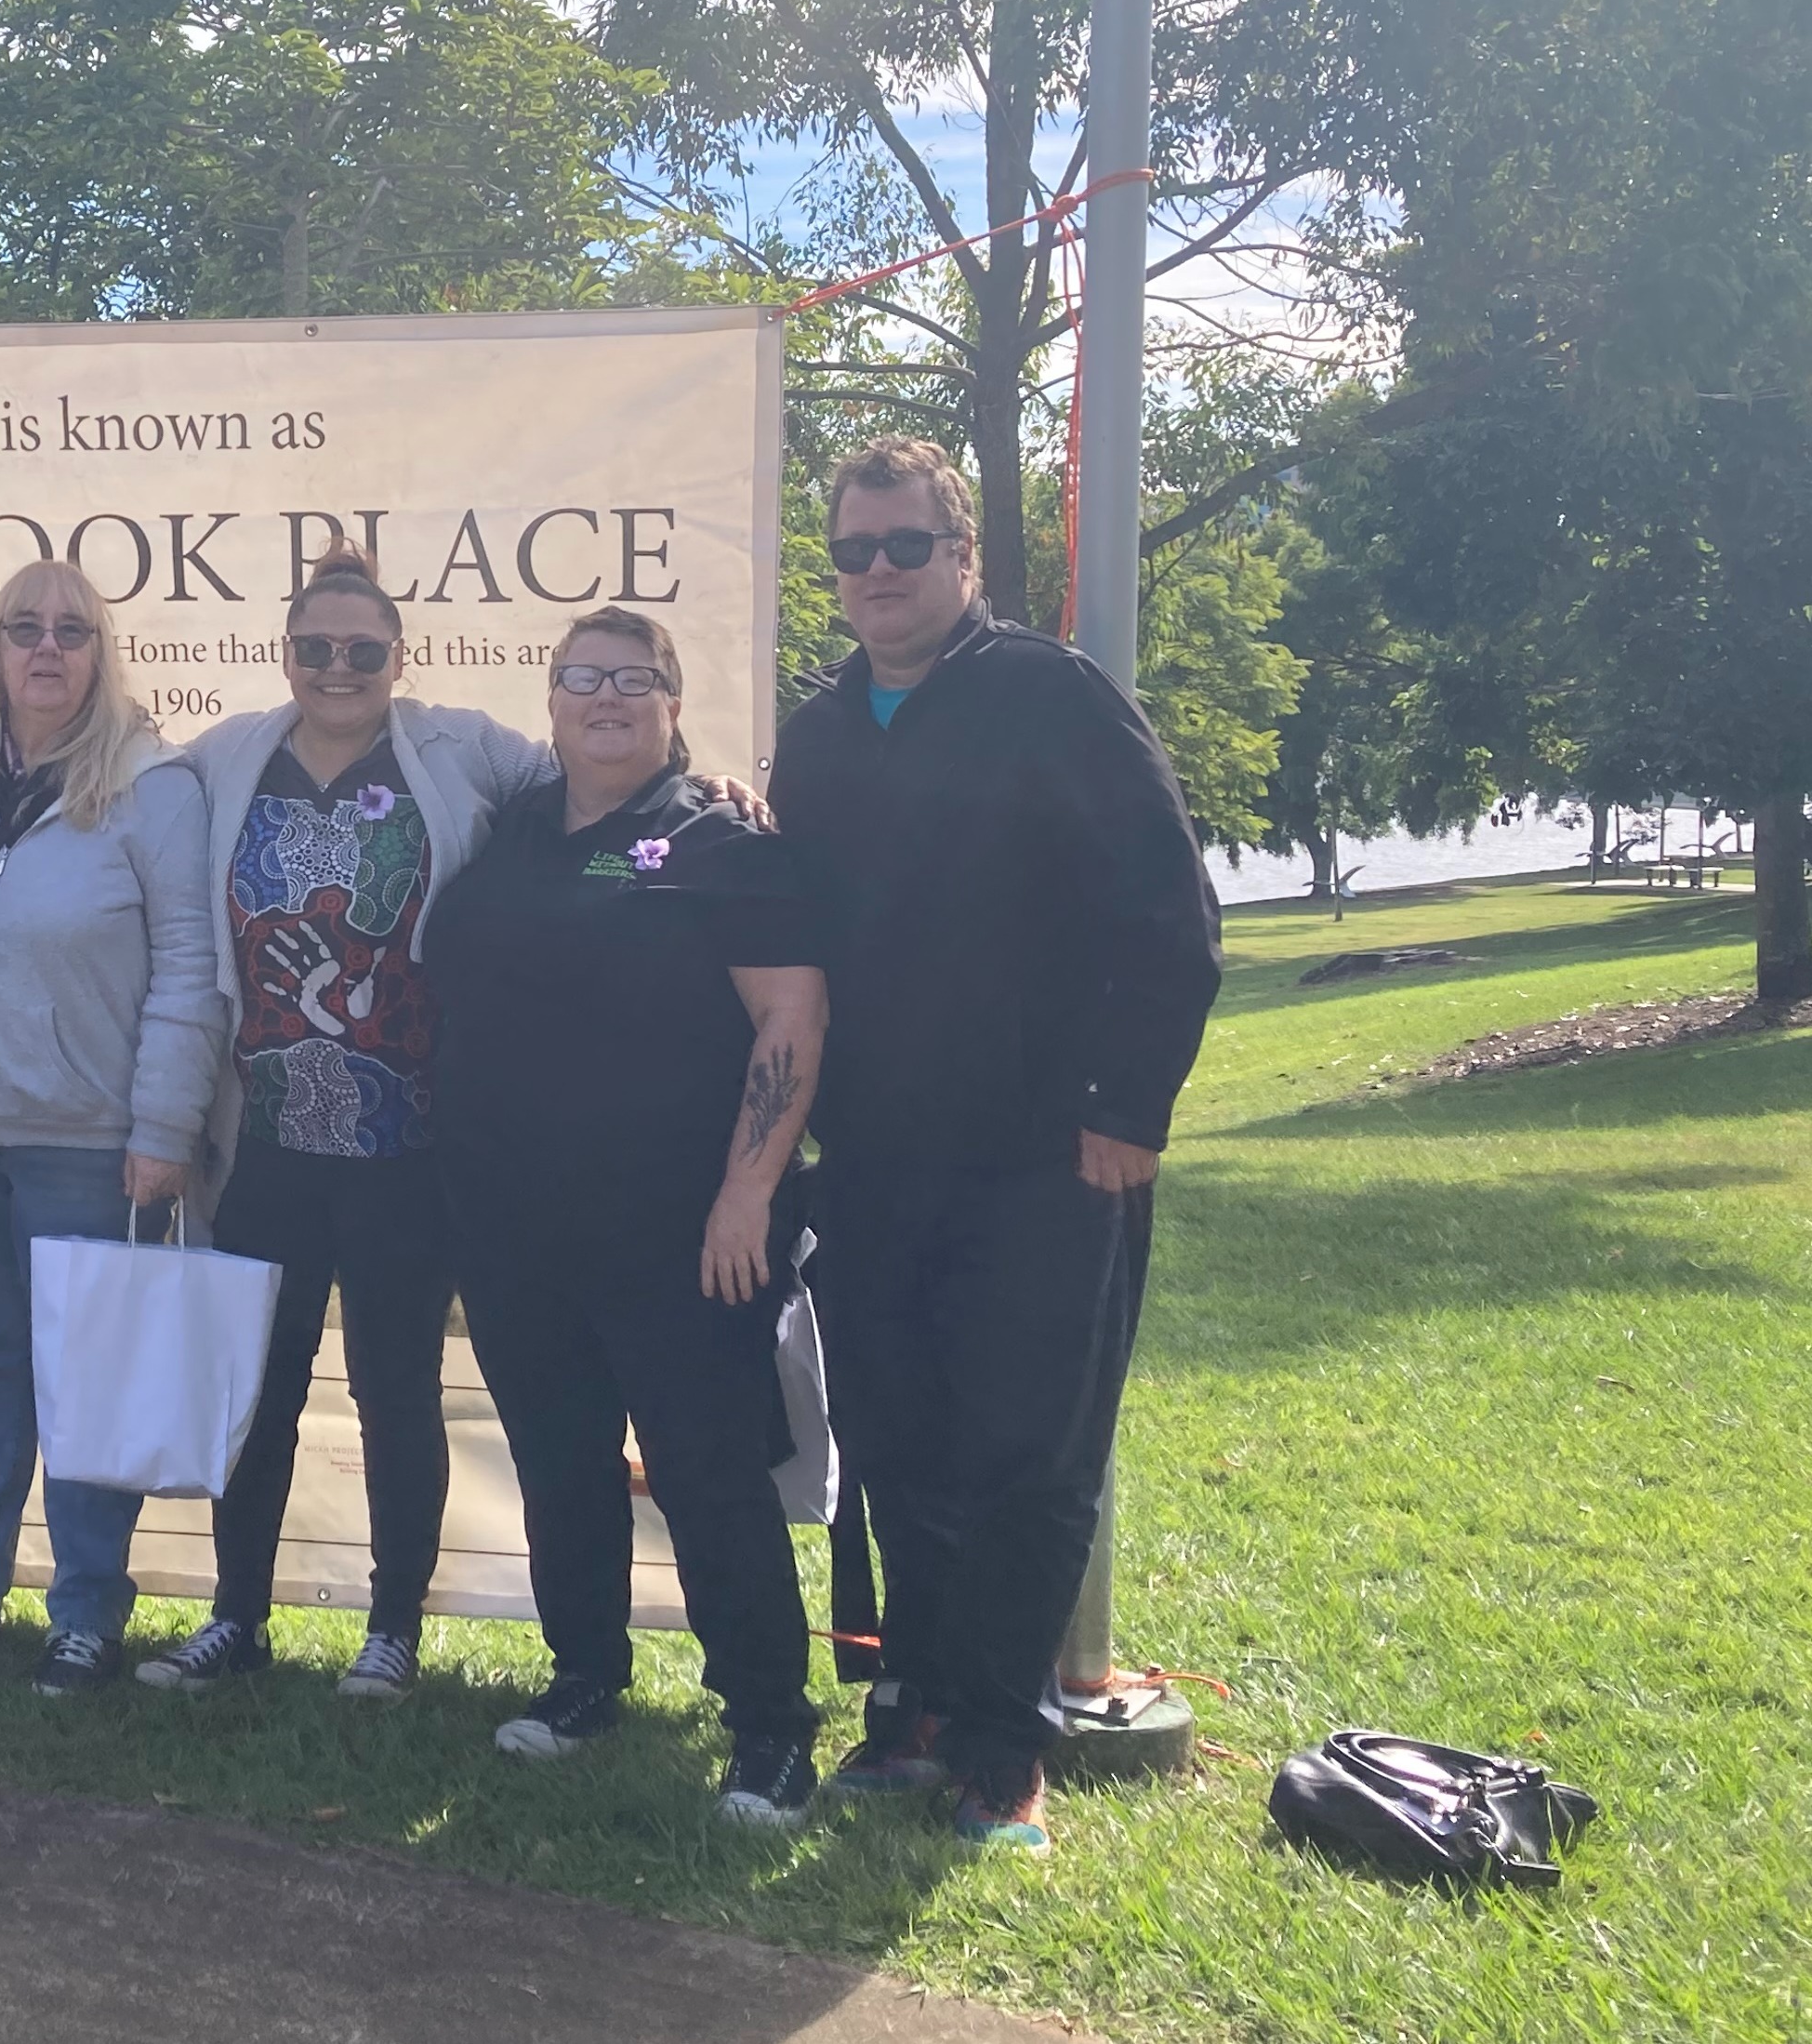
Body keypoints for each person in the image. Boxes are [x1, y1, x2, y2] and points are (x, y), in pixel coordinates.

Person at [771, 436, 1222, 1853]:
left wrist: (1125, 1109)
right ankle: (907, 1712)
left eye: (908, 546)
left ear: (963, 557)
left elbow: (1171, 918)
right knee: (903, 1442)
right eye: (855, 552)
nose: (880, 573)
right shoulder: (820, 726)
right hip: (880, 1161)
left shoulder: (1052, 696)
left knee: (1030, 1450)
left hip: (1047, 1158)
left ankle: (1002, 1749)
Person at [428, 605, 829, 1825]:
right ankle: (585, 1678)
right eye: (581, 677)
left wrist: (747, 1192)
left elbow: (791, 1019)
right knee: (559, 1466)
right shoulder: (509, 833)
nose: (605, 697)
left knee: (707, 1478)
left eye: (633, 678)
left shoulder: (716, 841)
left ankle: (769, 1729)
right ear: (548, 703)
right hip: (513, 1230)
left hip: (681, 1235)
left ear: (670, 701)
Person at [131, 541, 548, 1704]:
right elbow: (128, 792)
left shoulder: (458, 748)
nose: (337, 668)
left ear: (397, 659)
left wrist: (709, 794)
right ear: (285, 652)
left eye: (362, 651)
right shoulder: (228, 758)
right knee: (254, 1385)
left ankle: (393, 1627)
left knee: (396, 1390)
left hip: (404, 1145)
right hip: (260, 1141)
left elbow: (597, 778)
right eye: (315, 647)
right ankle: (235, 1617)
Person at [0, 559, 223, 1695]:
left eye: (72, 631)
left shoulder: (152, 789)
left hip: (92, 1140)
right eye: (25, 629)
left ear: (101, 653)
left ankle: (87, 1612)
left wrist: (164, 1126)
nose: (47, 649)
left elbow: (189, 973)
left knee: (88, 1379)